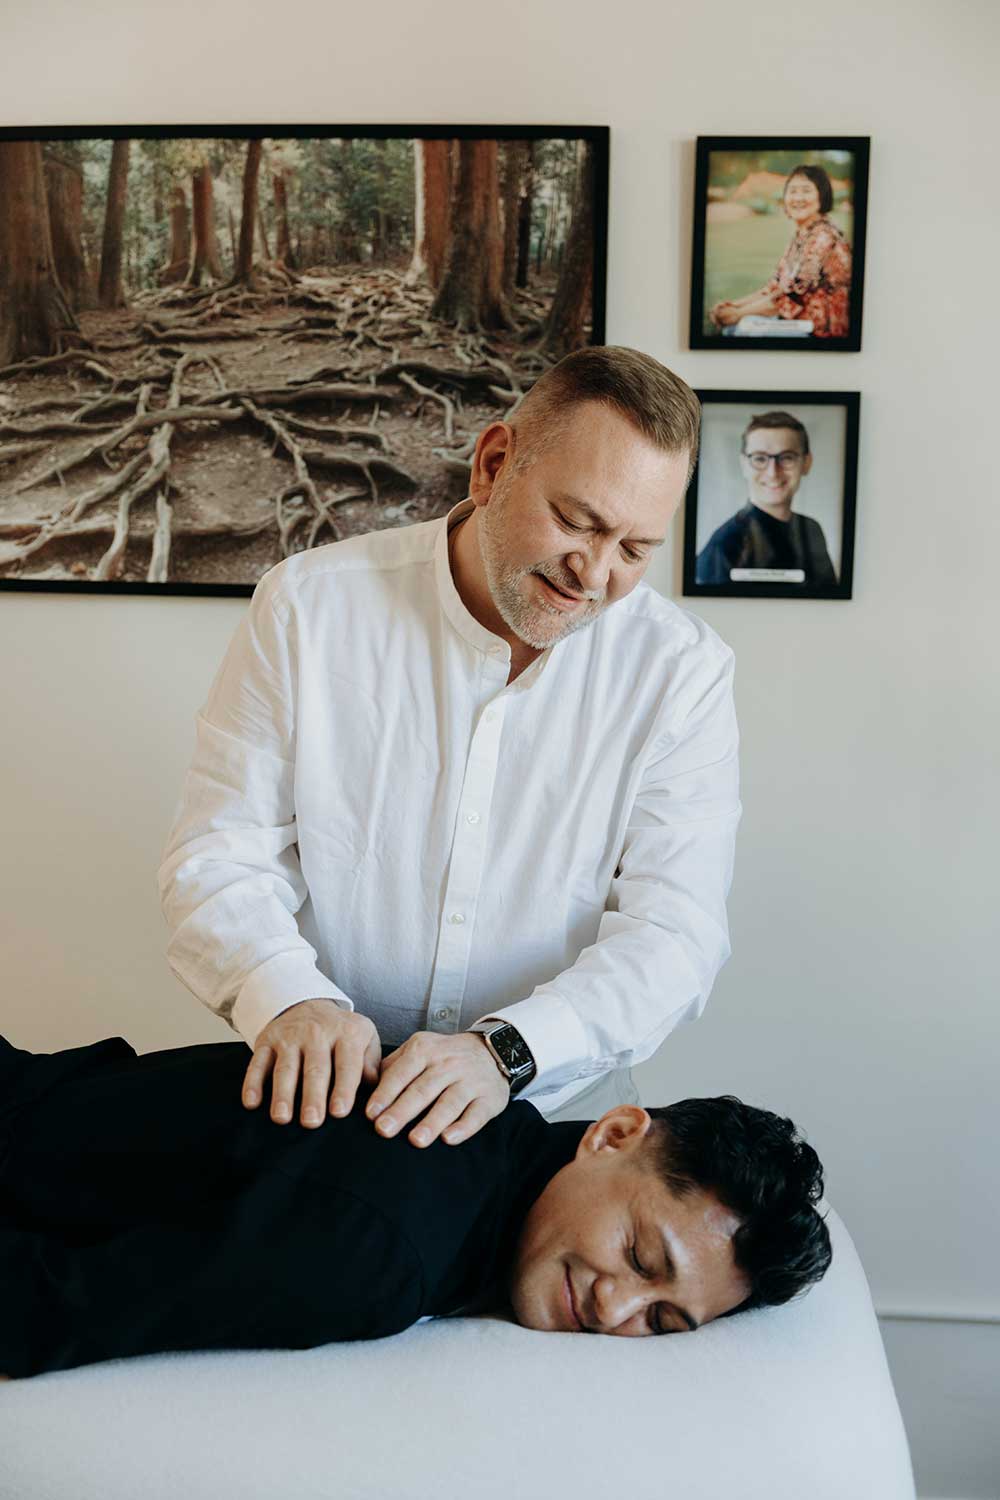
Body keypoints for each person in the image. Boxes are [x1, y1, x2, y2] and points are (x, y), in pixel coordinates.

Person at [159, 346, 741, 1148]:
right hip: (328, 1093)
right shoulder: (308, 608)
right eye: (578, 520)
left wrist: (506, 1053)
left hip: (552, 1102)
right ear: (493, 464)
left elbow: (676, 934)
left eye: (636, 549)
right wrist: (289, 996)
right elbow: (218, 855)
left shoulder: (683, 672)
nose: (595, 572)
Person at [0, 1032, 832, 1378]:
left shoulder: (493, 1143)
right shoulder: (382, 1254)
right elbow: (43, 1307)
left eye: (661, 1322)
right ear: (614, 1134)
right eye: (642, 1259)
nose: (616, 1307)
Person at [709, 164, 852, 339]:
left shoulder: (824, 237)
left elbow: (791, 298)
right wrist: (734, 305)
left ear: (822, 196)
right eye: (792, 191)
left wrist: (738, 314)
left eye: (806, 191)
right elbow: (776, 286)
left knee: (742, 328)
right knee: (736, 327)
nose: (798, 197)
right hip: (800, 322)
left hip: (821, 330)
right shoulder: (803, 234)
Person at [695, 411, 837, 587]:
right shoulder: (726, 544)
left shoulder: (811, 529)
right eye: (760, 458)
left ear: (806, 463)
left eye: (787, 458)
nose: (773, 472)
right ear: (744, 464)